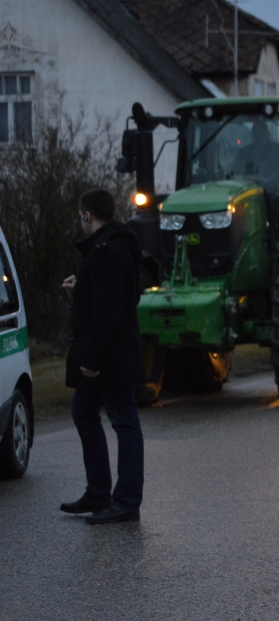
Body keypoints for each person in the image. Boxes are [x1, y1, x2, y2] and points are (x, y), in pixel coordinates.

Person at [61, 188, 146, 524]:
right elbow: (114, 293)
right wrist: (80, 285)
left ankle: (125, 502)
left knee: (124, 423)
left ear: (87, 216)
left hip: (110, 357)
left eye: (80, 216)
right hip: (109, 353)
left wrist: (93, 360)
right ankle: (98, 493)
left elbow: (109, 312)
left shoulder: (107, 250)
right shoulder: (113, 245)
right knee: (83, 411)